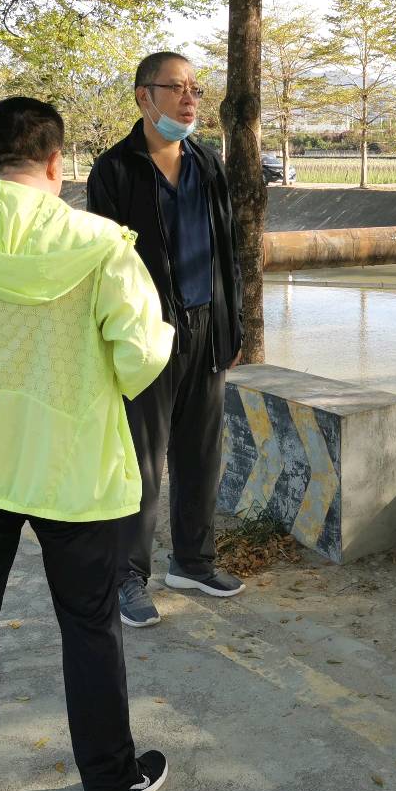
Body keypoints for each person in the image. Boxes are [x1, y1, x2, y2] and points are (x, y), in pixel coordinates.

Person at [0, 97, 174, 791]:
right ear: (58, 163)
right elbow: (141, 354)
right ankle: (108, 783)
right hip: (72, 466)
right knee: (89, 624)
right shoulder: (100, 244)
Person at [87, 52, 245, 628]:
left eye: (195, 89)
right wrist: (114, 341)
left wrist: (232, 325)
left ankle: (193, 562)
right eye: (175, 88)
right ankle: (127, 577)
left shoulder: (207, 162)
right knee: (141, 461)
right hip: (147, 335)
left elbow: (228, 249)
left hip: (206, 329)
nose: (189, 99)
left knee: (201, 453)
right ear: (143, 97)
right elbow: (104, 265)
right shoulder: (115, 170)